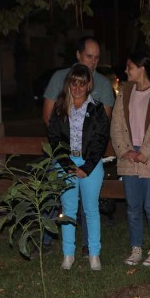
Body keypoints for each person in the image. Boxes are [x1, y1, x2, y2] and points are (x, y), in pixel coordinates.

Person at [42, 37, 115, 257]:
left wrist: (88, 155)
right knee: (59, 202)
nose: (93, 62)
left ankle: (89, 248)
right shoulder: (59, 78)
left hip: (89, 156)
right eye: (88, 56)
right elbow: (50, 118)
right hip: (64, 153)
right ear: (78, 55)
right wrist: (65, 146)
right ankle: (49, 241)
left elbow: (101, 128)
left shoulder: (102, 85)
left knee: (90, 206)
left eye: (96, 58)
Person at [111, 50, 150, 268]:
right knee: (132, 206)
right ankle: (136, 248)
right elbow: (116, 125)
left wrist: (144, 152)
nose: (126, 71)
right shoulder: (124, 92)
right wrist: (124, 151)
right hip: (129, 155)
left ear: (141, 68)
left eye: (130, 67)